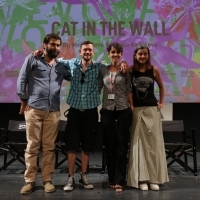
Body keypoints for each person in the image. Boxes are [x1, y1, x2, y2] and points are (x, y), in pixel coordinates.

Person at [34, 40, 128, 191]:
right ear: (80, 52)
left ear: (93, 52)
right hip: (75, 111)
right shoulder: (71, 64)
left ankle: (84, 176)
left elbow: (114, 66)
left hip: (91, 111)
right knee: (71, 146)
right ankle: (70, 178)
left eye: (90, 50)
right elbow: (53, 58)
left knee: (87, 145)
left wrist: (123, 62)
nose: (87, 52)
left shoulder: (99, 67)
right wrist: (39, 53)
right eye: (85, 50)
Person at [17, 33, 71, 195]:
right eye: (52, 44)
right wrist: (23, 101)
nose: (55, 47)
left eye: (57, 45)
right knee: (32, 147)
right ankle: (30, 181)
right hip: (34, 109)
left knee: (49, 147)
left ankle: (47, 180)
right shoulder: (33, 59)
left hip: (53, 111)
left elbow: (77, 74)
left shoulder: (61, 66)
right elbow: (22, 80)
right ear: (44, 45)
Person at [127, 44, 169, 191]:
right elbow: (128, 90)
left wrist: (161, 102)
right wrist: (131, 105)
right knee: (138, 146)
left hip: (152, 110)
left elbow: (162, 87)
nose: (143, 56)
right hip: (137, 111)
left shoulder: (154, 70)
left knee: (153, 146)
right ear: (135, 55)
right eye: (140, 54)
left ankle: (153, 179)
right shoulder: (131, 71)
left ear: (148, 55)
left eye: (145, 54)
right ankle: (141, 179)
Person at [98, 42, 133, 193]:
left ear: (121, 54)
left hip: (123, 109)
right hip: (107, 109)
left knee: (121, 145)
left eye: (118, 53)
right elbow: (99, 87)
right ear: (109, 54)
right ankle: (111, 178)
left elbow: (129, 90)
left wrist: (132, 106)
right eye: (113, 52)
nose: (115, 55)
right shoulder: (103, 70)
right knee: (110, 145)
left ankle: (120, 180)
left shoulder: (125, 70)